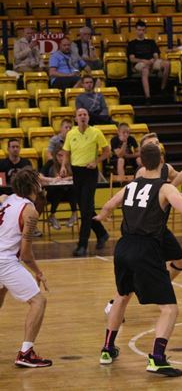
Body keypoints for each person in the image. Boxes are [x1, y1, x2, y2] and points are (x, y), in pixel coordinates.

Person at [94, 143, 182, 376]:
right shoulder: (165, 188)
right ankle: (157, 358)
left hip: (123, 247)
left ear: (141, 162)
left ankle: (107, 349)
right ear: (161, 162)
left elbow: (110, 205)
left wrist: (101, 216)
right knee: (170, 309)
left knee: (122, 297)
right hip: (146, 249)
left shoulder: (131, 185)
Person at [103, 134, 182, 316]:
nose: (156, 145)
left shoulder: (166, 168)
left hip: (159, 228)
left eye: (157, 143)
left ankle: (154, 289)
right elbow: (169, 195)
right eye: (151, 144)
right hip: (145, 229)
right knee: (135, 274)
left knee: (180, 262)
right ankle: (114, 304)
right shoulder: (142, 173)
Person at [0, 168, 52, 368]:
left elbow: (3, 196)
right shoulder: (30, 211)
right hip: (5, 261)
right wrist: (38, 272)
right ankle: (26, 353)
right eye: (39, 181)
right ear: (33, 186)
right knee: (38, 301)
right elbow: (26, 253)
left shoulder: (9, 198)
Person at [60, 108, 110, 257]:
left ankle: (82, 244)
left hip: (90, 173)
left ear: (88, 118)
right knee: (85, 208)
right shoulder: (71, 134)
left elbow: (107, 151)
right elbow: (66, 153)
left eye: (85, 115)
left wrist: (96, 161)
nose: (82, 117)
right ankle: (102, 233)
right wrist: (63, 166)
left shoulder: (96, 132)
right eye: (80, 115)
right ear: (76, 118)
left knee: (86, 209)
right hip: (77, 173)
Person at [127, 20, 171, 104]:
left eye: (143, 30)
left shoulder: (151, 42)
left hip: (151, 61)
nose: (141, 32)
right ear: (136, 30)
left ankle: (163, 88)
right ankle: (148, 97)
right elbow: (132, 59)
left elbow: (156, 56)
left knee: (167, 64)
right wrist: (143, 60)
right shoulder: (132, 43)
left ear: (145, 30)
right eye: (139, 30)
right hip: (139, 63)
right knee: (145, 69)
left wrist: (152, 60)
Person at [39, 145, 77, 230]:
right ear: (55, 156)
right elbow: (39, 176)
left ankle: (74, 213)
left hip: (69, 195)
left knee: (72, 189)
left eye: (64, 155)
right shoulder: (50, 163)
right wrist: (52, 179)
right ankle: (52, 215)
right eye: (59, 155)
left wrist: (68, 178)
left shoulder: (72, 163)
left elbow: (79, 176)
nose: (62, 158)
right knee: (58, 190)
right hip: (53, 195)